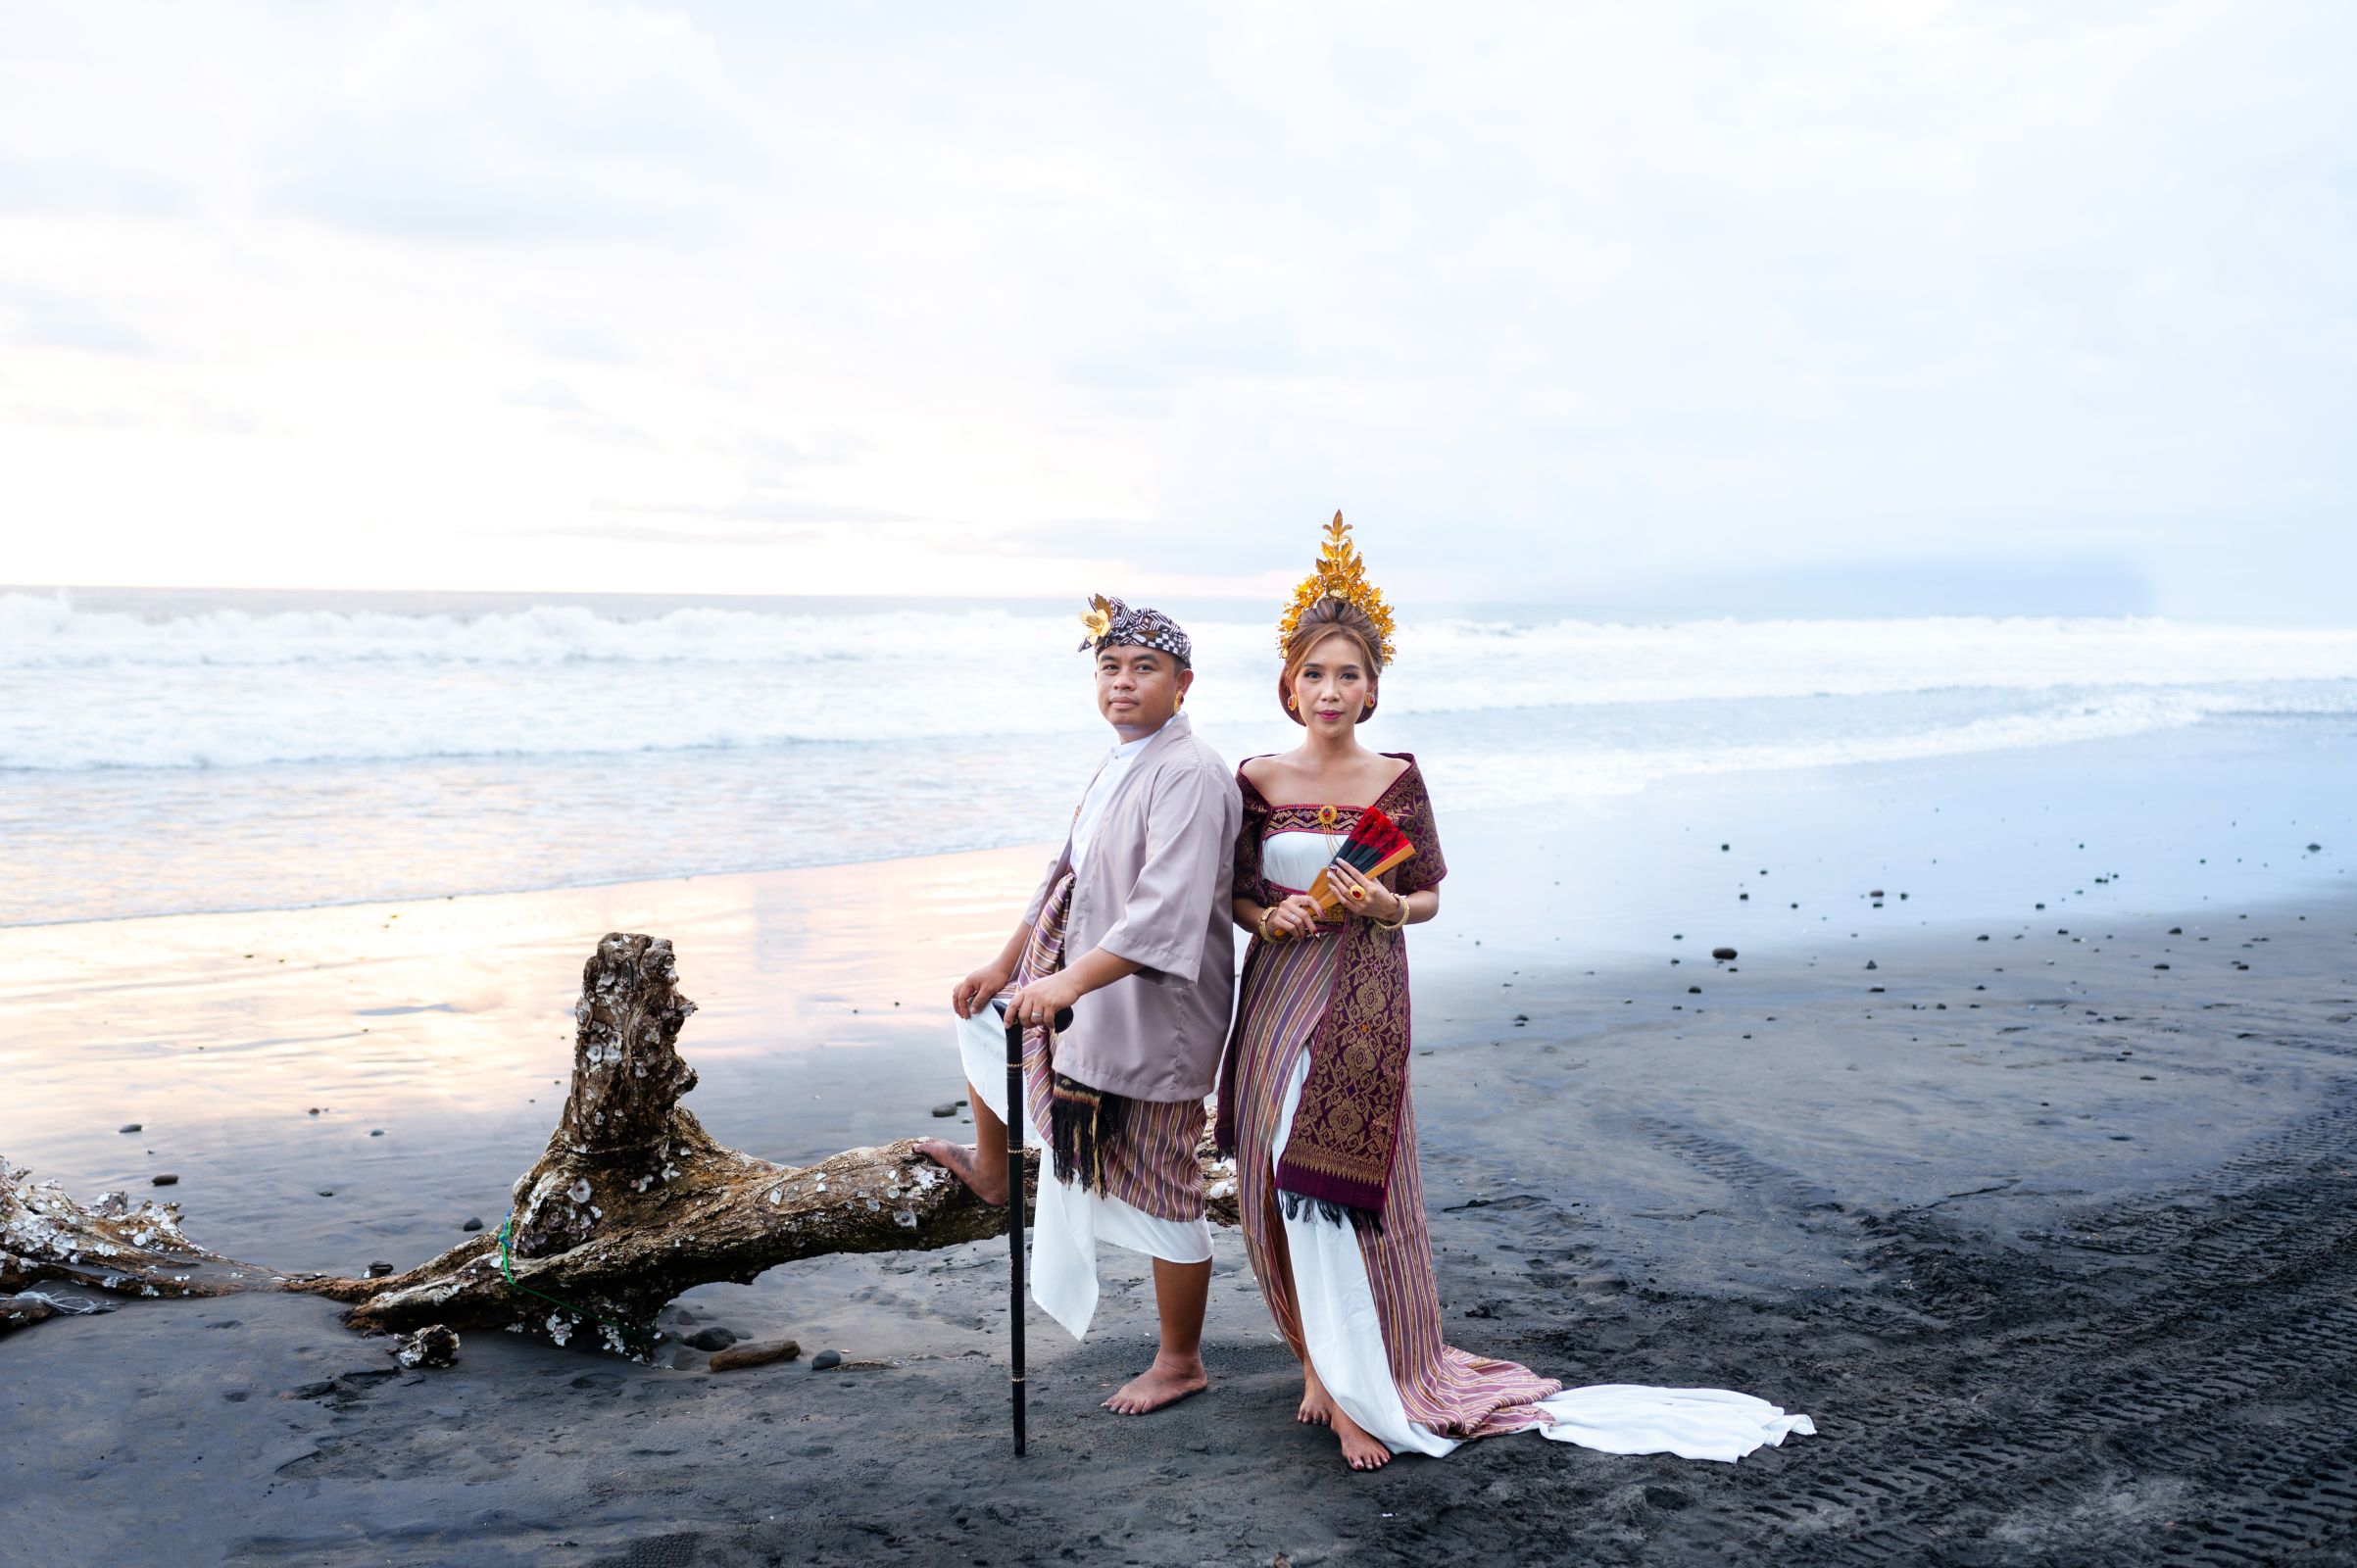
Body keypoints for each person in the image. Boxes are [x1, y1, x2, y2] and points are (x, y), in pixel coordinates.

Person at [1217, 514, 1815, 1469]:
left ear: (1373, 687)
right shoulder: (1253, 778)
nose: (1329, 690)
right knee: (1271, 1175)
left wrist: (1386, 905)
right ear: (1287, 682)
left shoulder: (1394, 781)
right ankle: (1315, 1365)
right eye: (1313, 673)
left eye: (1348, 674)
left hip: (1359, 1001)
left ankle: (1359, 1385)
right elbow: (1237, 896)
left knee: (1331, 1187)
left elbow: (1426, 895)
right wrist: (1268, 917)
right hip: (1278, 992)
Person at [918, 595, 1242, 1415]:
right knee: (982, 1015)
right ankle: (994, 1171)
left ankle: (1179, 1361)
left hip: (1154, 1009)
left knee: (1164, 1178)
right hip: (1085, 983)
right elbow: (1062, 873)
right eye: (1109, 667)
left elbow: (1165, 912)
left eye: (1144, 668)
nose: (1122, 683)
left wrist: (1064, 984)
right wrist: (1006, 964)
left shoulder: (1190, 772)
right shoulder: (1120, 760)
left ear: (1183, 683)